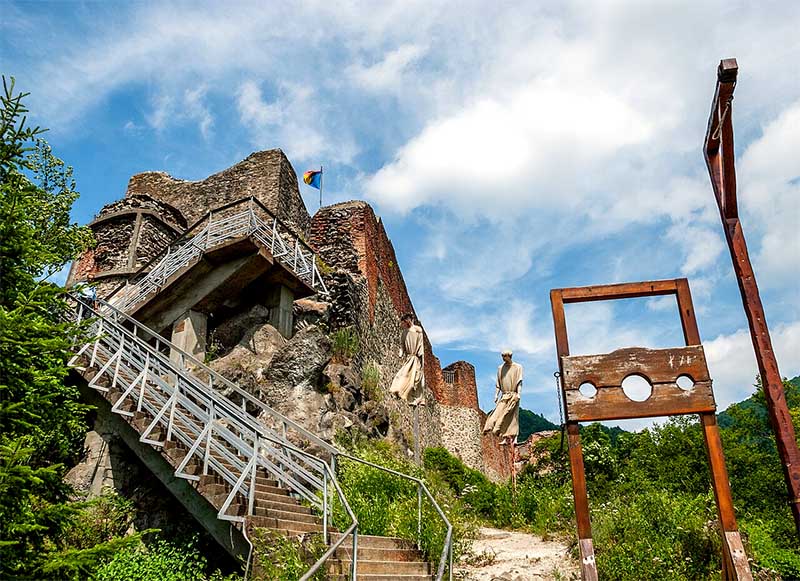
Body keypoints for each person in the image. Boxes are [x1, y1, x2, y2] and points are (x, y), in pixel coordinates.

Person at [483, 349, 522, 443]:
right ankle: (490, 426)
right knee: (498, 413)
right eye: (502, 357)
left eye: (505, 356)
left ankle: (513, 437)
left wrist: (519, 394)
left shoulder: (518, 367)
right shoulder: (500, 368)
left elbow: (519, 382)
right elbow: (498, 383)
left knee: (512, 416)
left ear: (509, 356)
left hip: (514, 394)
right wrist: (496, 395)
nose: (503, 359)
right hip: (504, 395)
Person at [389, 313, 425, 406]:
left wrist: (421, 358)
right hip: (410, 358)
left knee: (417, 379)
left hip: (416, 358)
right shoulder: (404, 332)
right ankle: (400, 391)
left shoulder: (418, 330)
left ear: (409, 320)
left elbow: (420, 344)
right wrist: (401, 353)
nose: (404, 324)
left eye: (405, 321)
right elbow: (402, 345)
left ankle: (417, 399)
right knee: (404, 375)